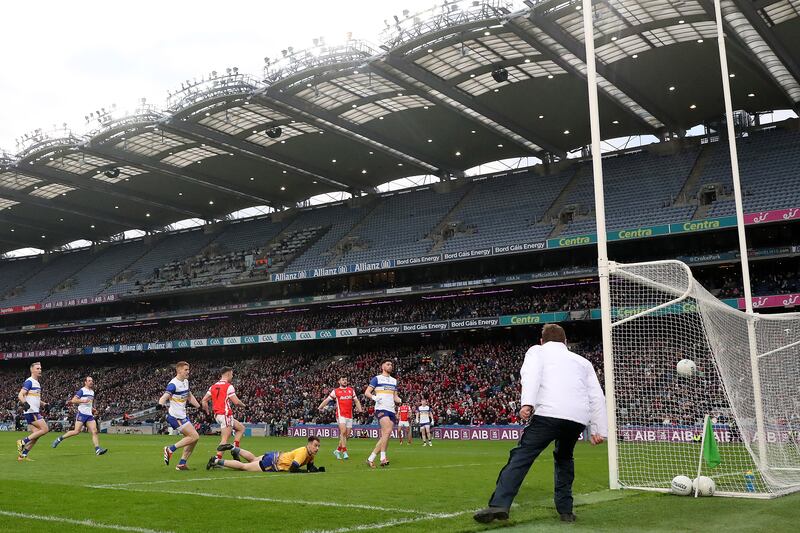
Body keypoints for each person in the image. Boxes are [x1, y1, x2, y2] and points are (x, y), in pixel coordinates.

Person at [474, 324, 608, 524]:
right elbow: (597, 395)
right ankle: (566, 511)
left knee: (522, 456)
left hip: (549, 413)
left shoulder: (537, 351)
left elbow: (531, 374)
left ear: (542, 340)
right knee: (564, 458)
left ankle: (499, 504)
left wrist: (527, 403)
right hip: (577, 418)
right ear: (565, 342)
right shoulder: (583, 361)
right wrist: (599, 429)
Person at [158, 361, 201, 470]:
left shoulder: (186, 382)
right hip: (175, 417)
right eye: (186, 369)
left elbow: (189, 396)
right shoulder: (173, 384)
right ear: (179, 370)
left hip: (182, 416)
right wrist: (159, 404)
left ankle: (182, 463)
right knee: (194, 436)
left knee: (193, 439)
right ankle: (170, 449)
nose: (188, 371)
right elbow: (164, 396)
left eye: (188, 369)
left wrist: (199, 407)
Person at [51, 376, 108, 455]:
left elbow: (89, 403)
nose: (91, 382)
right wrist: (83, 400)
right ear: (85, 382)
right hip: (82, 414)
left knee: (95, 431)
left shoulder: (92, 392)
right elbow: (73, 400)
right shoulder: (82, 391)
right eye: (89, 381)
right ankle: (59, 439)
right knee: (76, 431)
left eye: (92, 380)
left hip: (89, 415)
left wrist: (93, 409)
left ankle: (97, 449)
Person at [208, 436, 325, 473]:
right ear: (309, 444)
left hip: (274, 456)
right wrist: (306, 472)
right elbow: (294, 468)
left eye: (318, 446)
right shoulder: (303, 452)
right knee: (244, 467)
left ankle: (233, 448)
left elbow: (310, 467)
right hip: (272, 463)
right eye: (315, 445)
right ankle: (216, 461)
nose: (317, 448)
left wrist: (317, 470)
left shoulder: (310, 454)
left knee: (253, 459)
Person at [202, 367, 246, 461]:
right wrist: (244, 406)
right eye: (232, 374)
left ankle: (235, 448)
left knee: (241, 428)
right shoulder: (228, 386)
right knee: (225, 439)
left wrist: (207, 412)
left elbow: (204, 400)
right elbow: (236, 402)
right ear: (228, 374)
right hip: (225, 414)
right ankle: (217, 459)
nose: (232, 376)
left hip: (218, 415)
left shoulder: (213, 386)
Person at [364, 359, 400, 468]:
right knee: (388, 430)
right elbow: (367, 392)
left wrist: (401, 401)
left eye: (391, 365)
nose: (390, 366)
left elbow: (395, 397)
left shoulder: (394, 381)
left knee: (386, 435)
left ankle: (370, 458)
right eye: (388, 364)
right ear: (382, 366)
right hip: (381, 408)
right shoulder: (377, 379)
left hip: (391, 410)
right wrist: (375, 398)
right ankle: (383, 457)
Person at [317, 376, 362, 460]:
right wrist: (320, 407)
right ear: (339, 381)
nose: (345, 381)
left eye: (346, 380)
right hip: (341, 415)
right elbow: (327, 400)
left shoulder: (351, 390)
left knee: (347, 436)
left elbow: (356, 400)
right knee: (343, 431)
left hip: (349, 415)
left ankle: (337, 451)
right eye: (343, 380)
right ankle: (344, 452)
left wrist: (360, 410)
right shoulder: (336, 391)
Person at [16, 361, 49, 461]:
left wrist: (44, 404)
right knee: (45, 429)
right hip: (31, 412)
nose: (40, 370)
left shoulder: (37, 383)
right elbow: (20, 395)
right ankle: (22, 442)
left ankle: (23, 455)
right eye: (37, 368)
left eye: (40, 368)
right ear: (32, 370)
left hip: (34, 411)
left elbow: (36, 399)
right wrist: (24, 403)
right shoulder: (29, 381)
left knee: (36, 435)